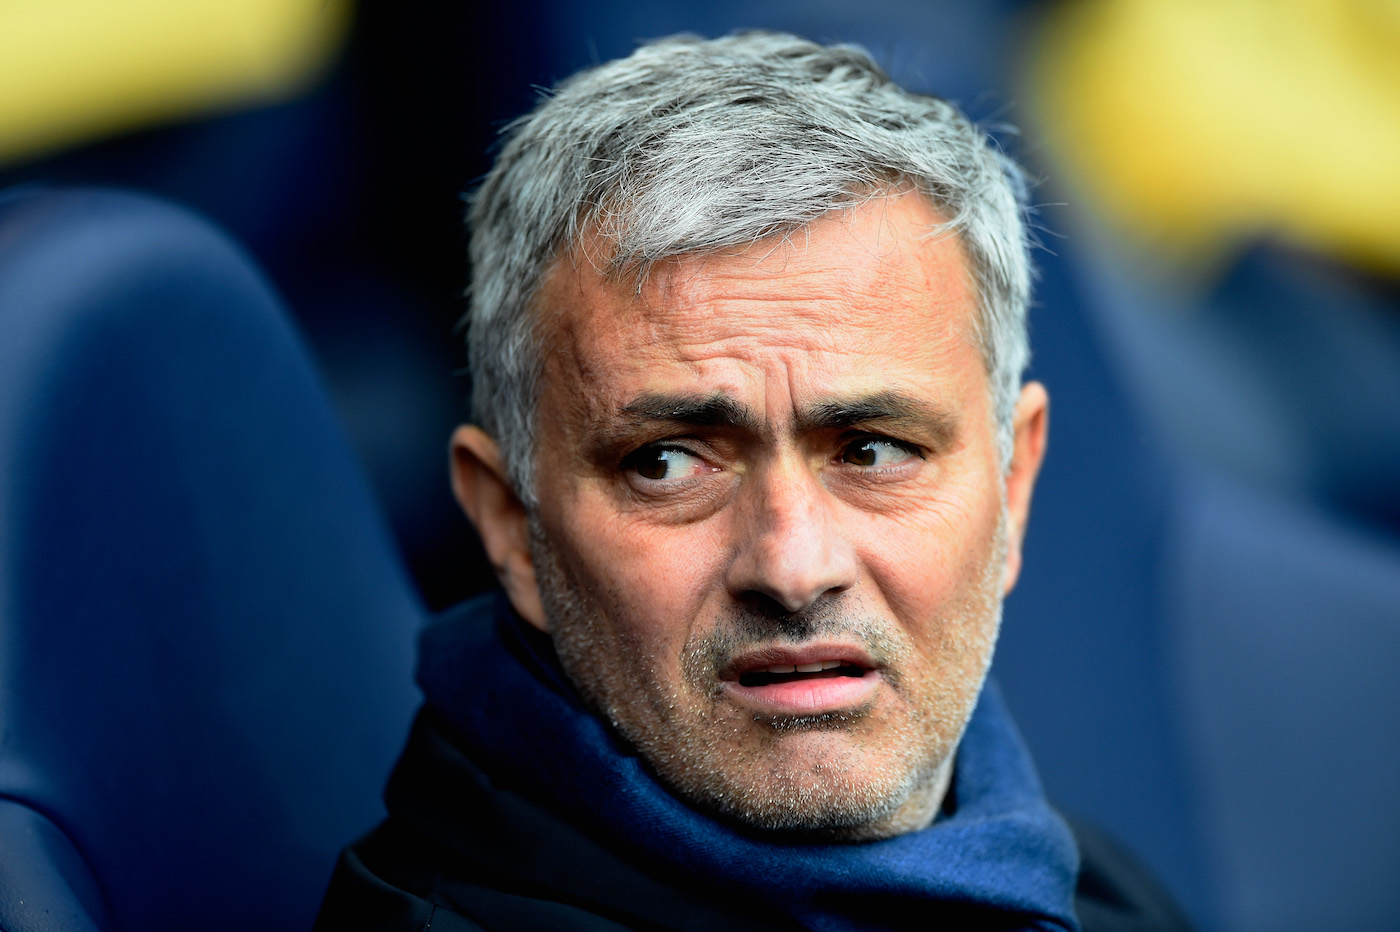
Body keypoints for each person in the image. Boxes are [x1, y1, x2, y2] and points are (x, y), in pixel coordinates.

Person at [315, 31, 1190, 931]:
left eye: (872, 451)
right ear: (510, 525)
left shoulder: (1092, 888)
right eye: (666, 463)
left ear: (1013, 486)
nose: (792, 566)